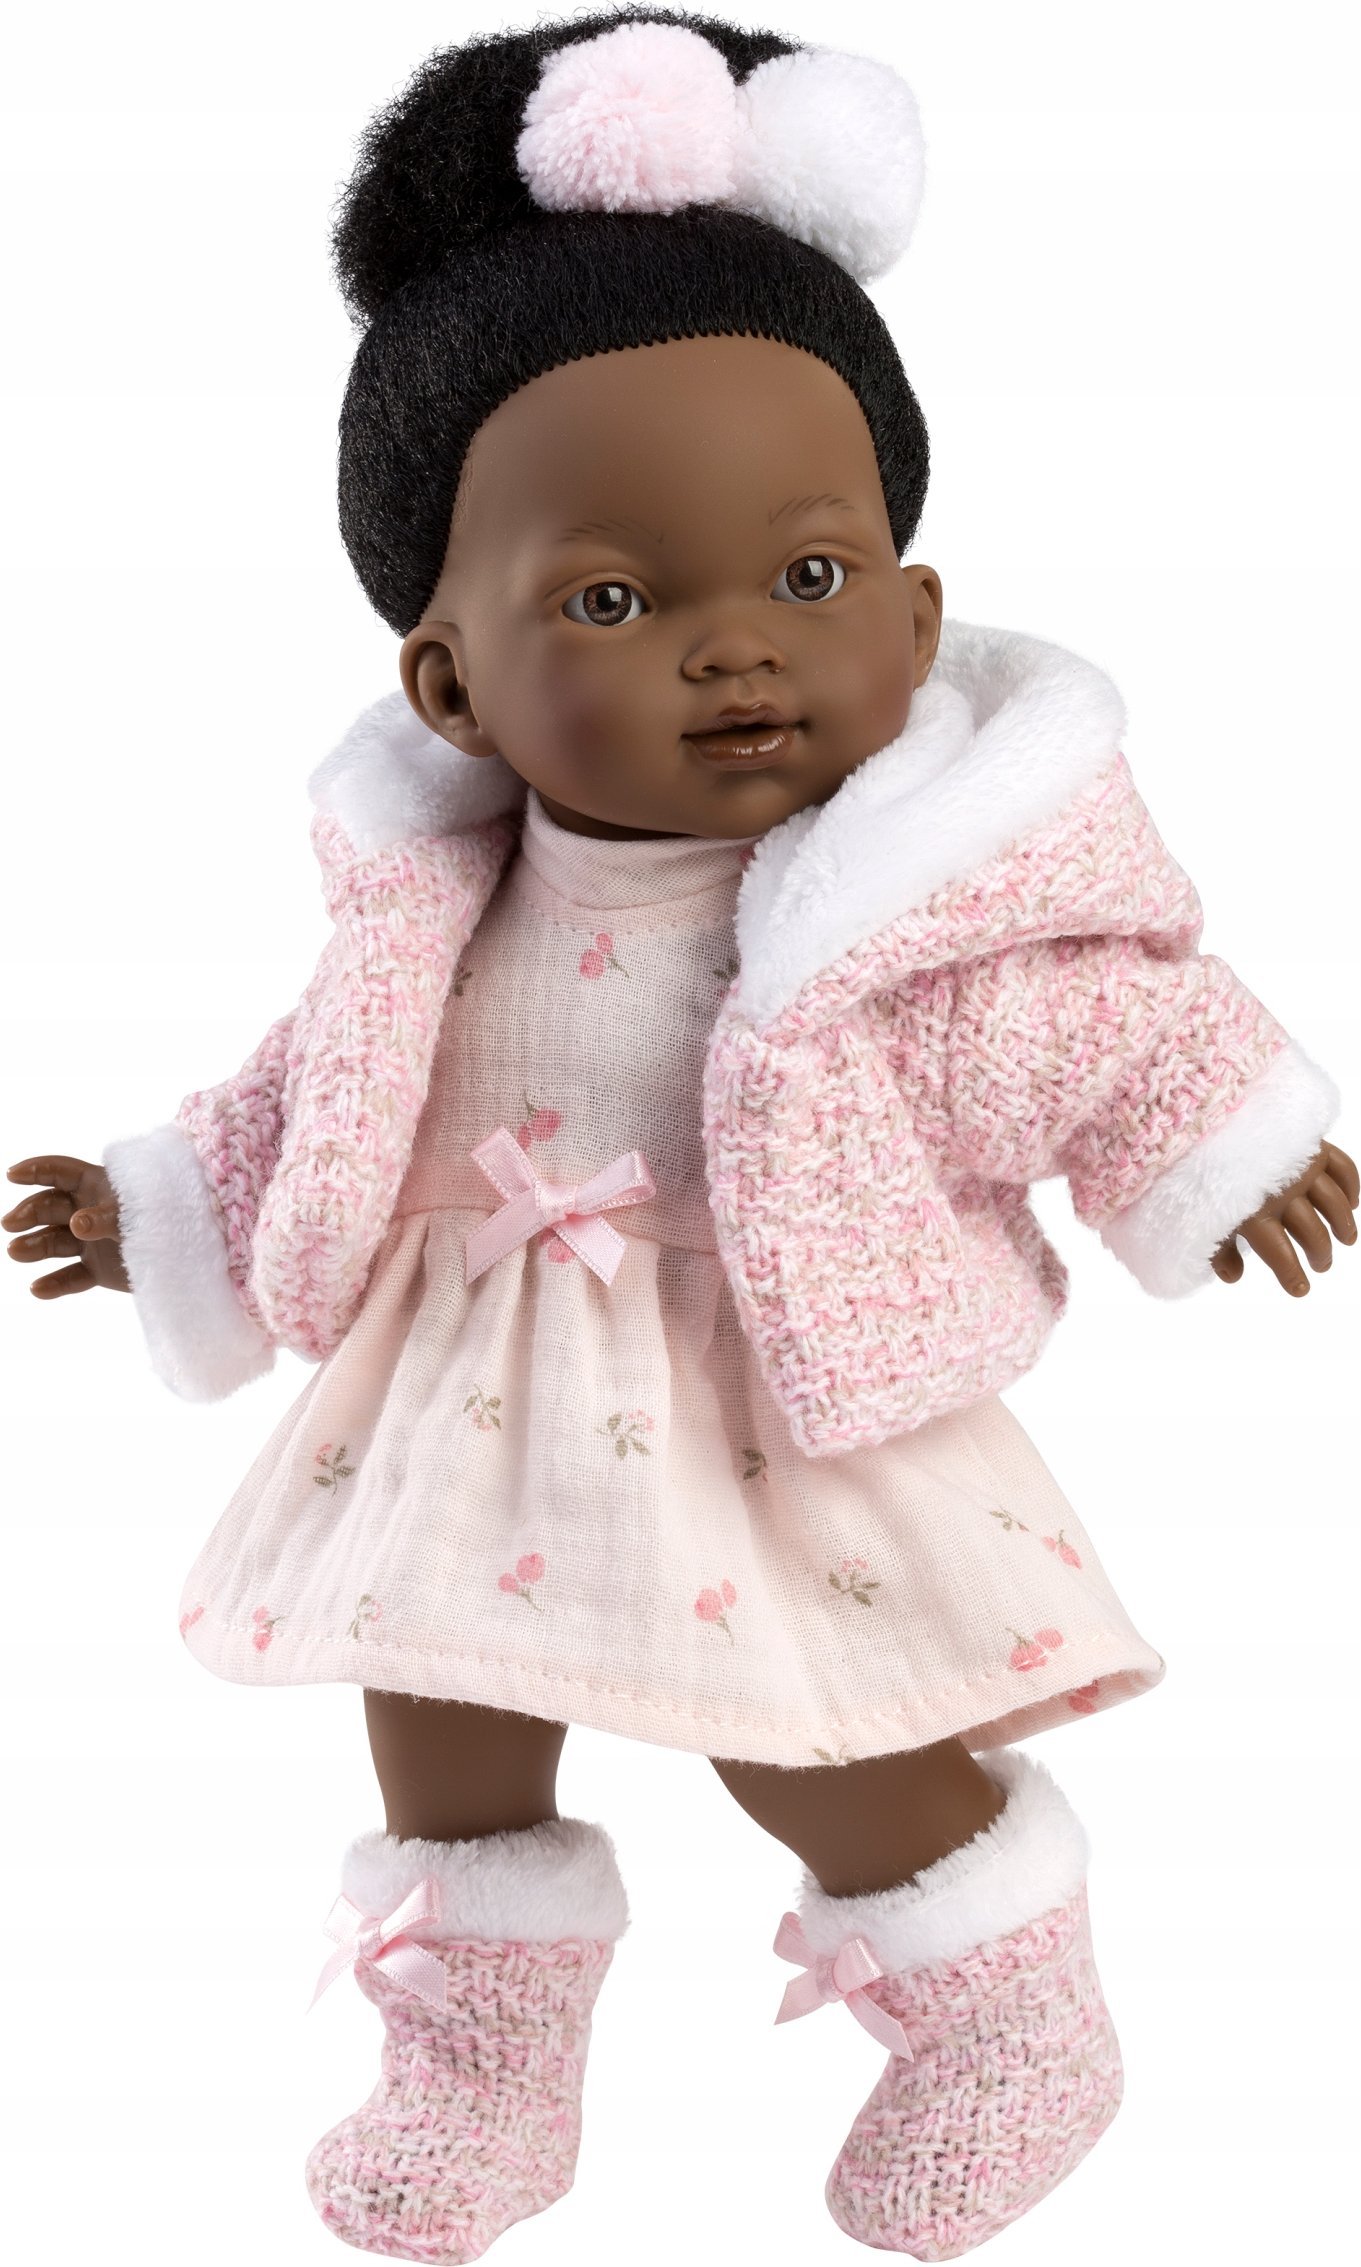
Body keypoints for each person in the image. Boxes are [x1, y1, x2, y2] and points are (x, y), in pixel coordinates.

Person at [6, 12, 1355, 2262]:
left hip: (766, 1397)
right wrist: (168, 1195)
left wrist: (1214, 1126)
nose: (737, 653)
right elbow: (328, 1083)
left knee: (803, 1727)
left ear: (913, 617)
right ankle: (476, 2058)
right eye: (616, 603)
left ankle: (1001, 2007)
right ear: (449, 682)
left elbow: (1062, 1021)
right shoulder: (433, 908)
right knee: (434, 1714)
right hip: (466, 1389)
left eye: (808, 583)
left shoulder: (876, 921)